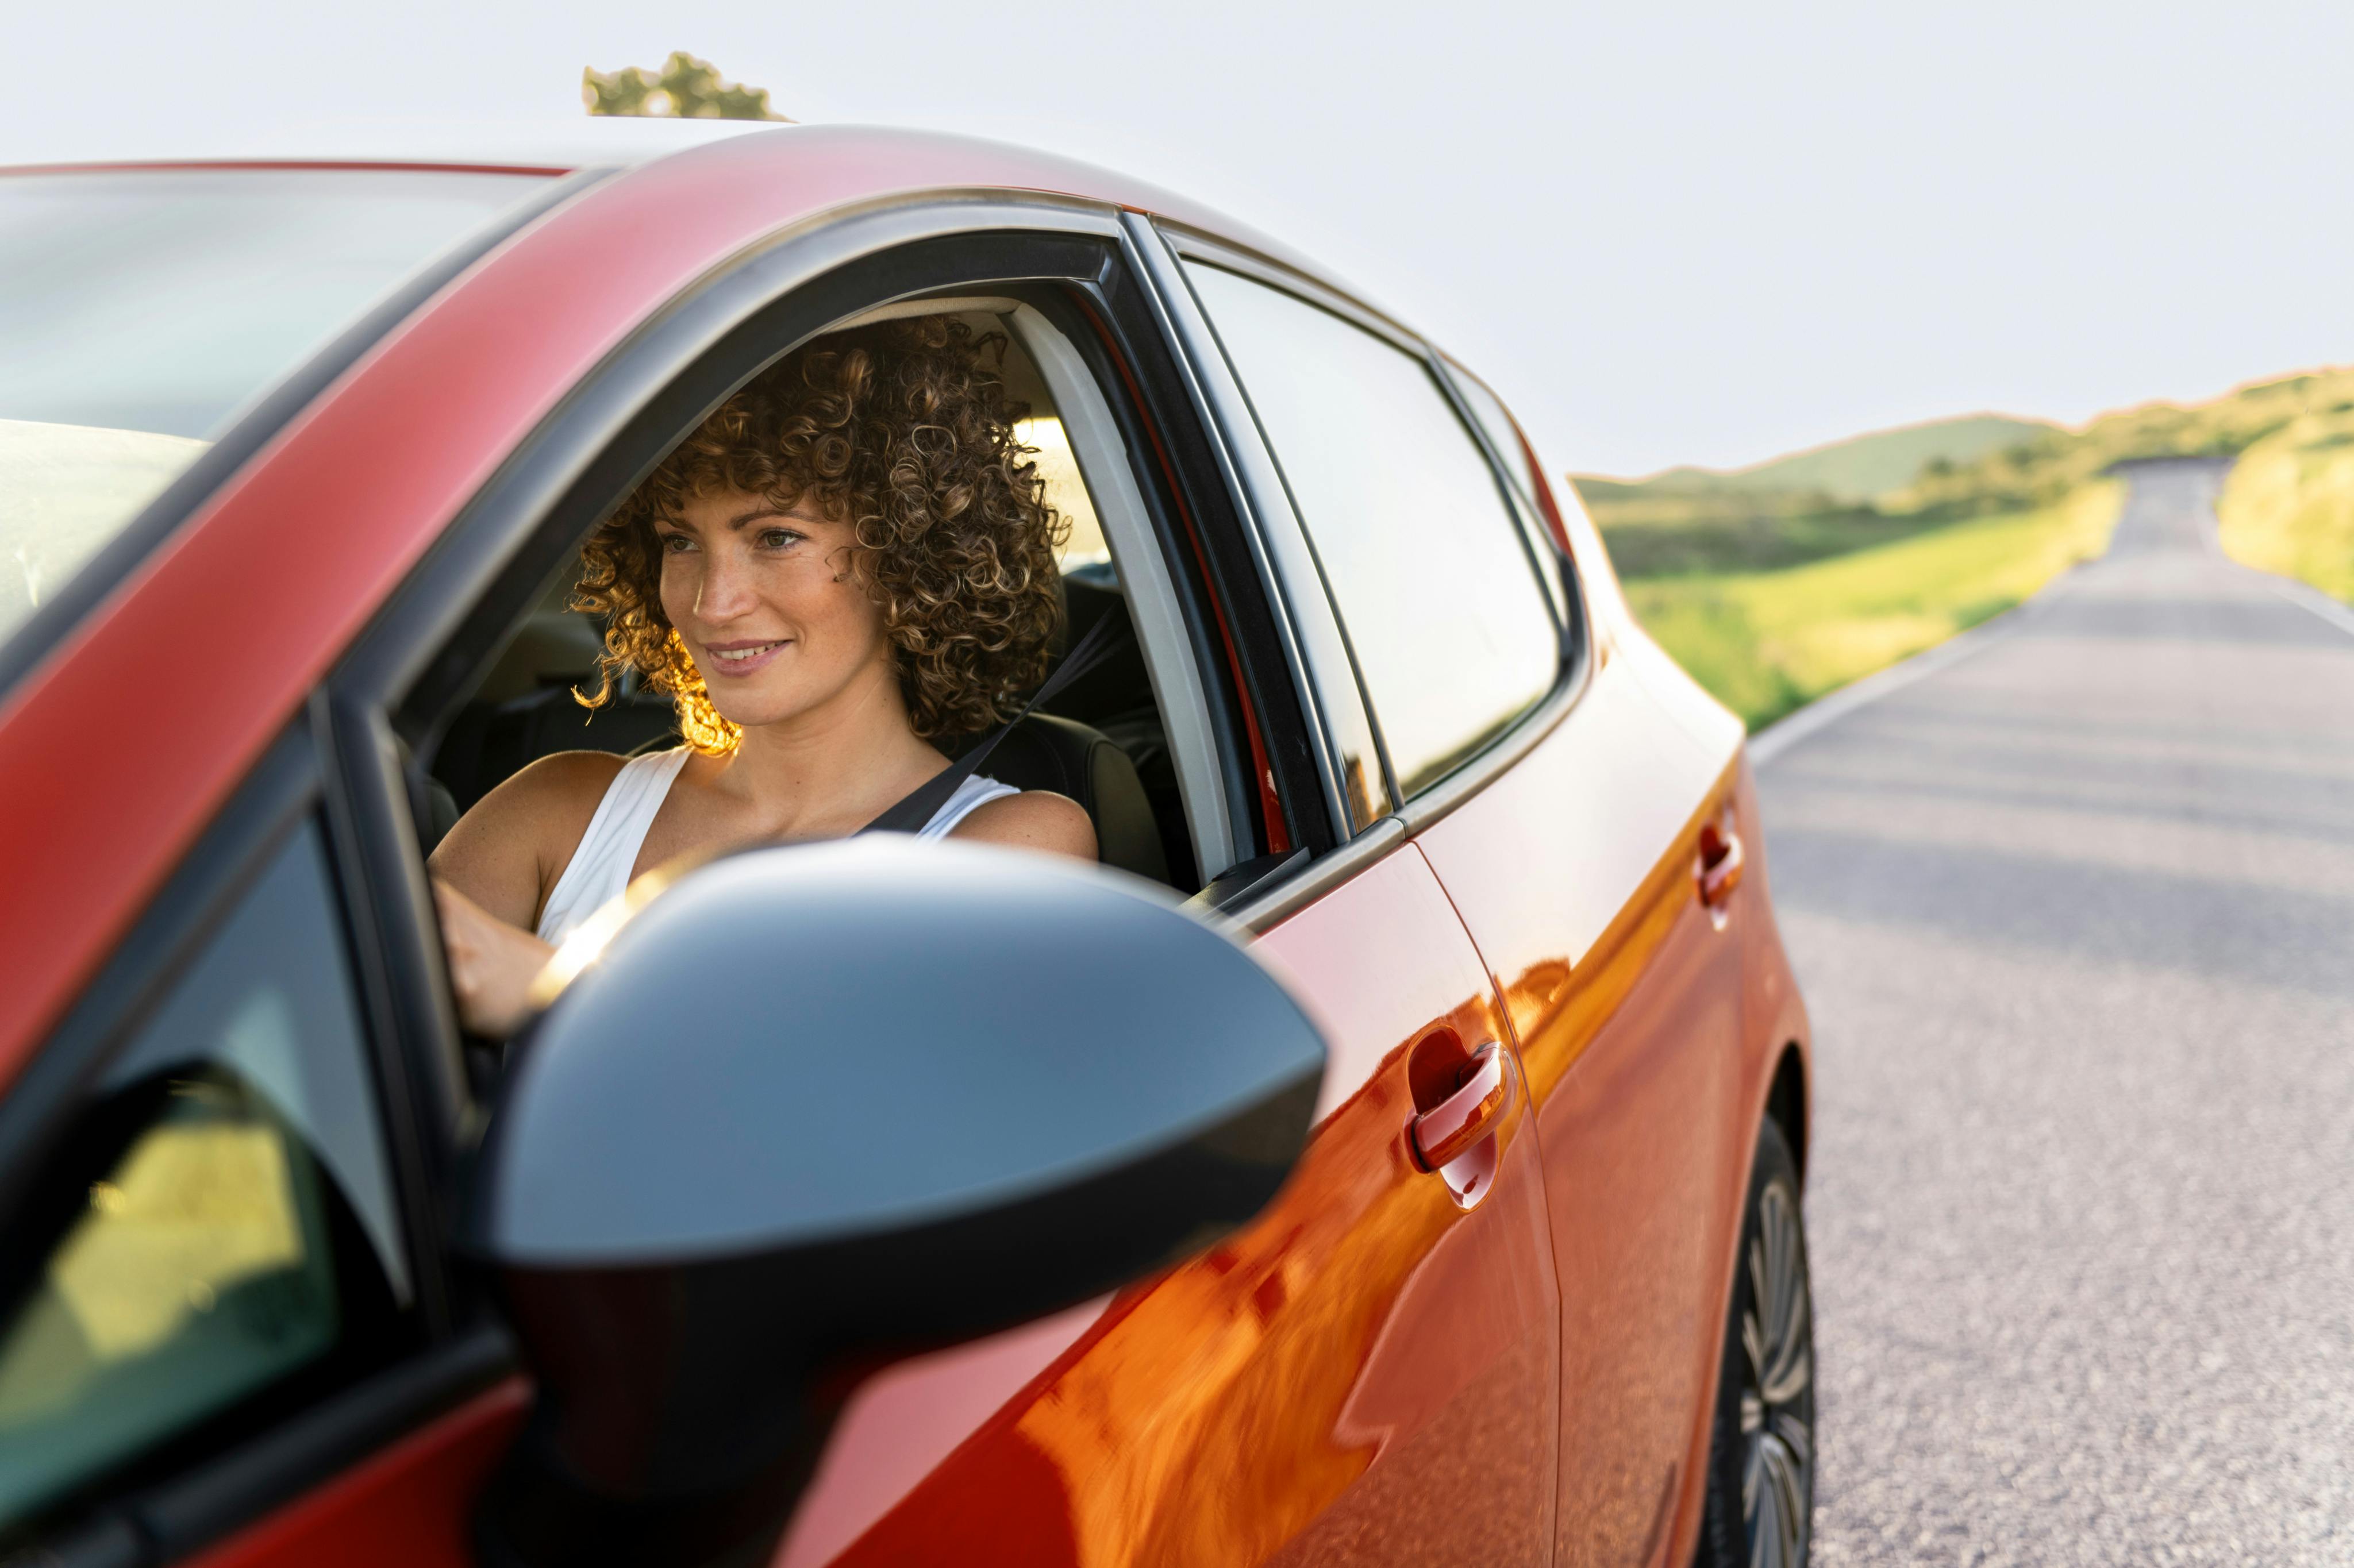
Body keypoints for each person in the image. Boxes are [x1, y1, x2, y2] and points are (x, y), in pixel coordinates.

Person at [430, 315, 1096, 1037]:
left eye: (776, 537)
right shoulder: (553, 810)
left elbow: (853, 1081)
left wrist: (547, 991)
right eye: (680, 541)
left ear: (907, 554)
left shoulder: (1012, 842)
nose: (711, 603)